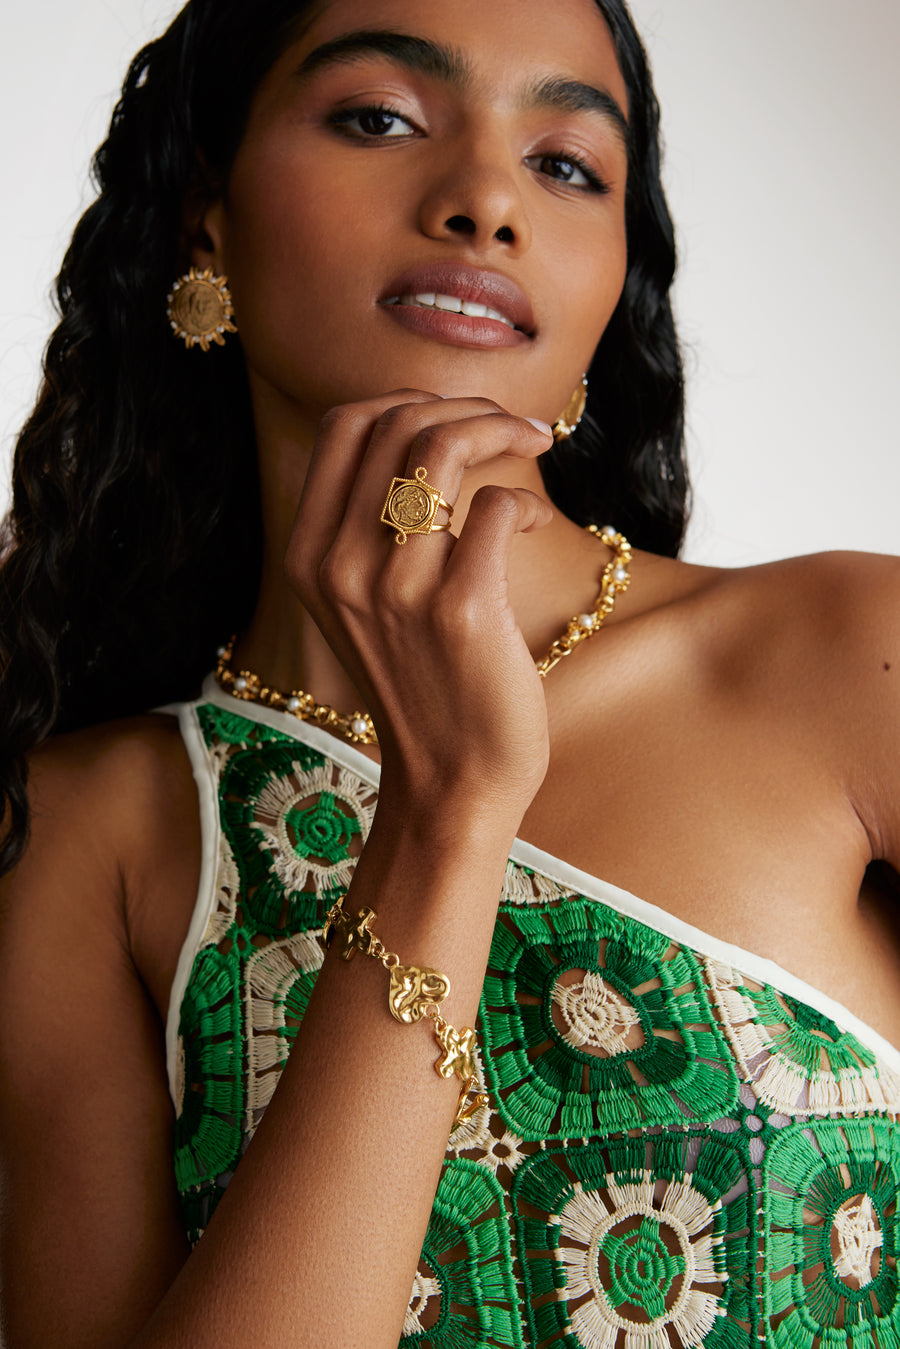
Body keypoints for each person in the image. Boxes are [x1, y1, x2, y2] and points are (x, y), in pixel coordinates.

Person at [1, 0, 899, 1345]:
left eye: (565, 165)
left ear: (612, 274)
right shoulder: (88, 836)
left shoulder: (846, 655)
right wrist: (447, 818)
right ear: (207, 218)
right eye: (380, 118)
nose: (485, 199)